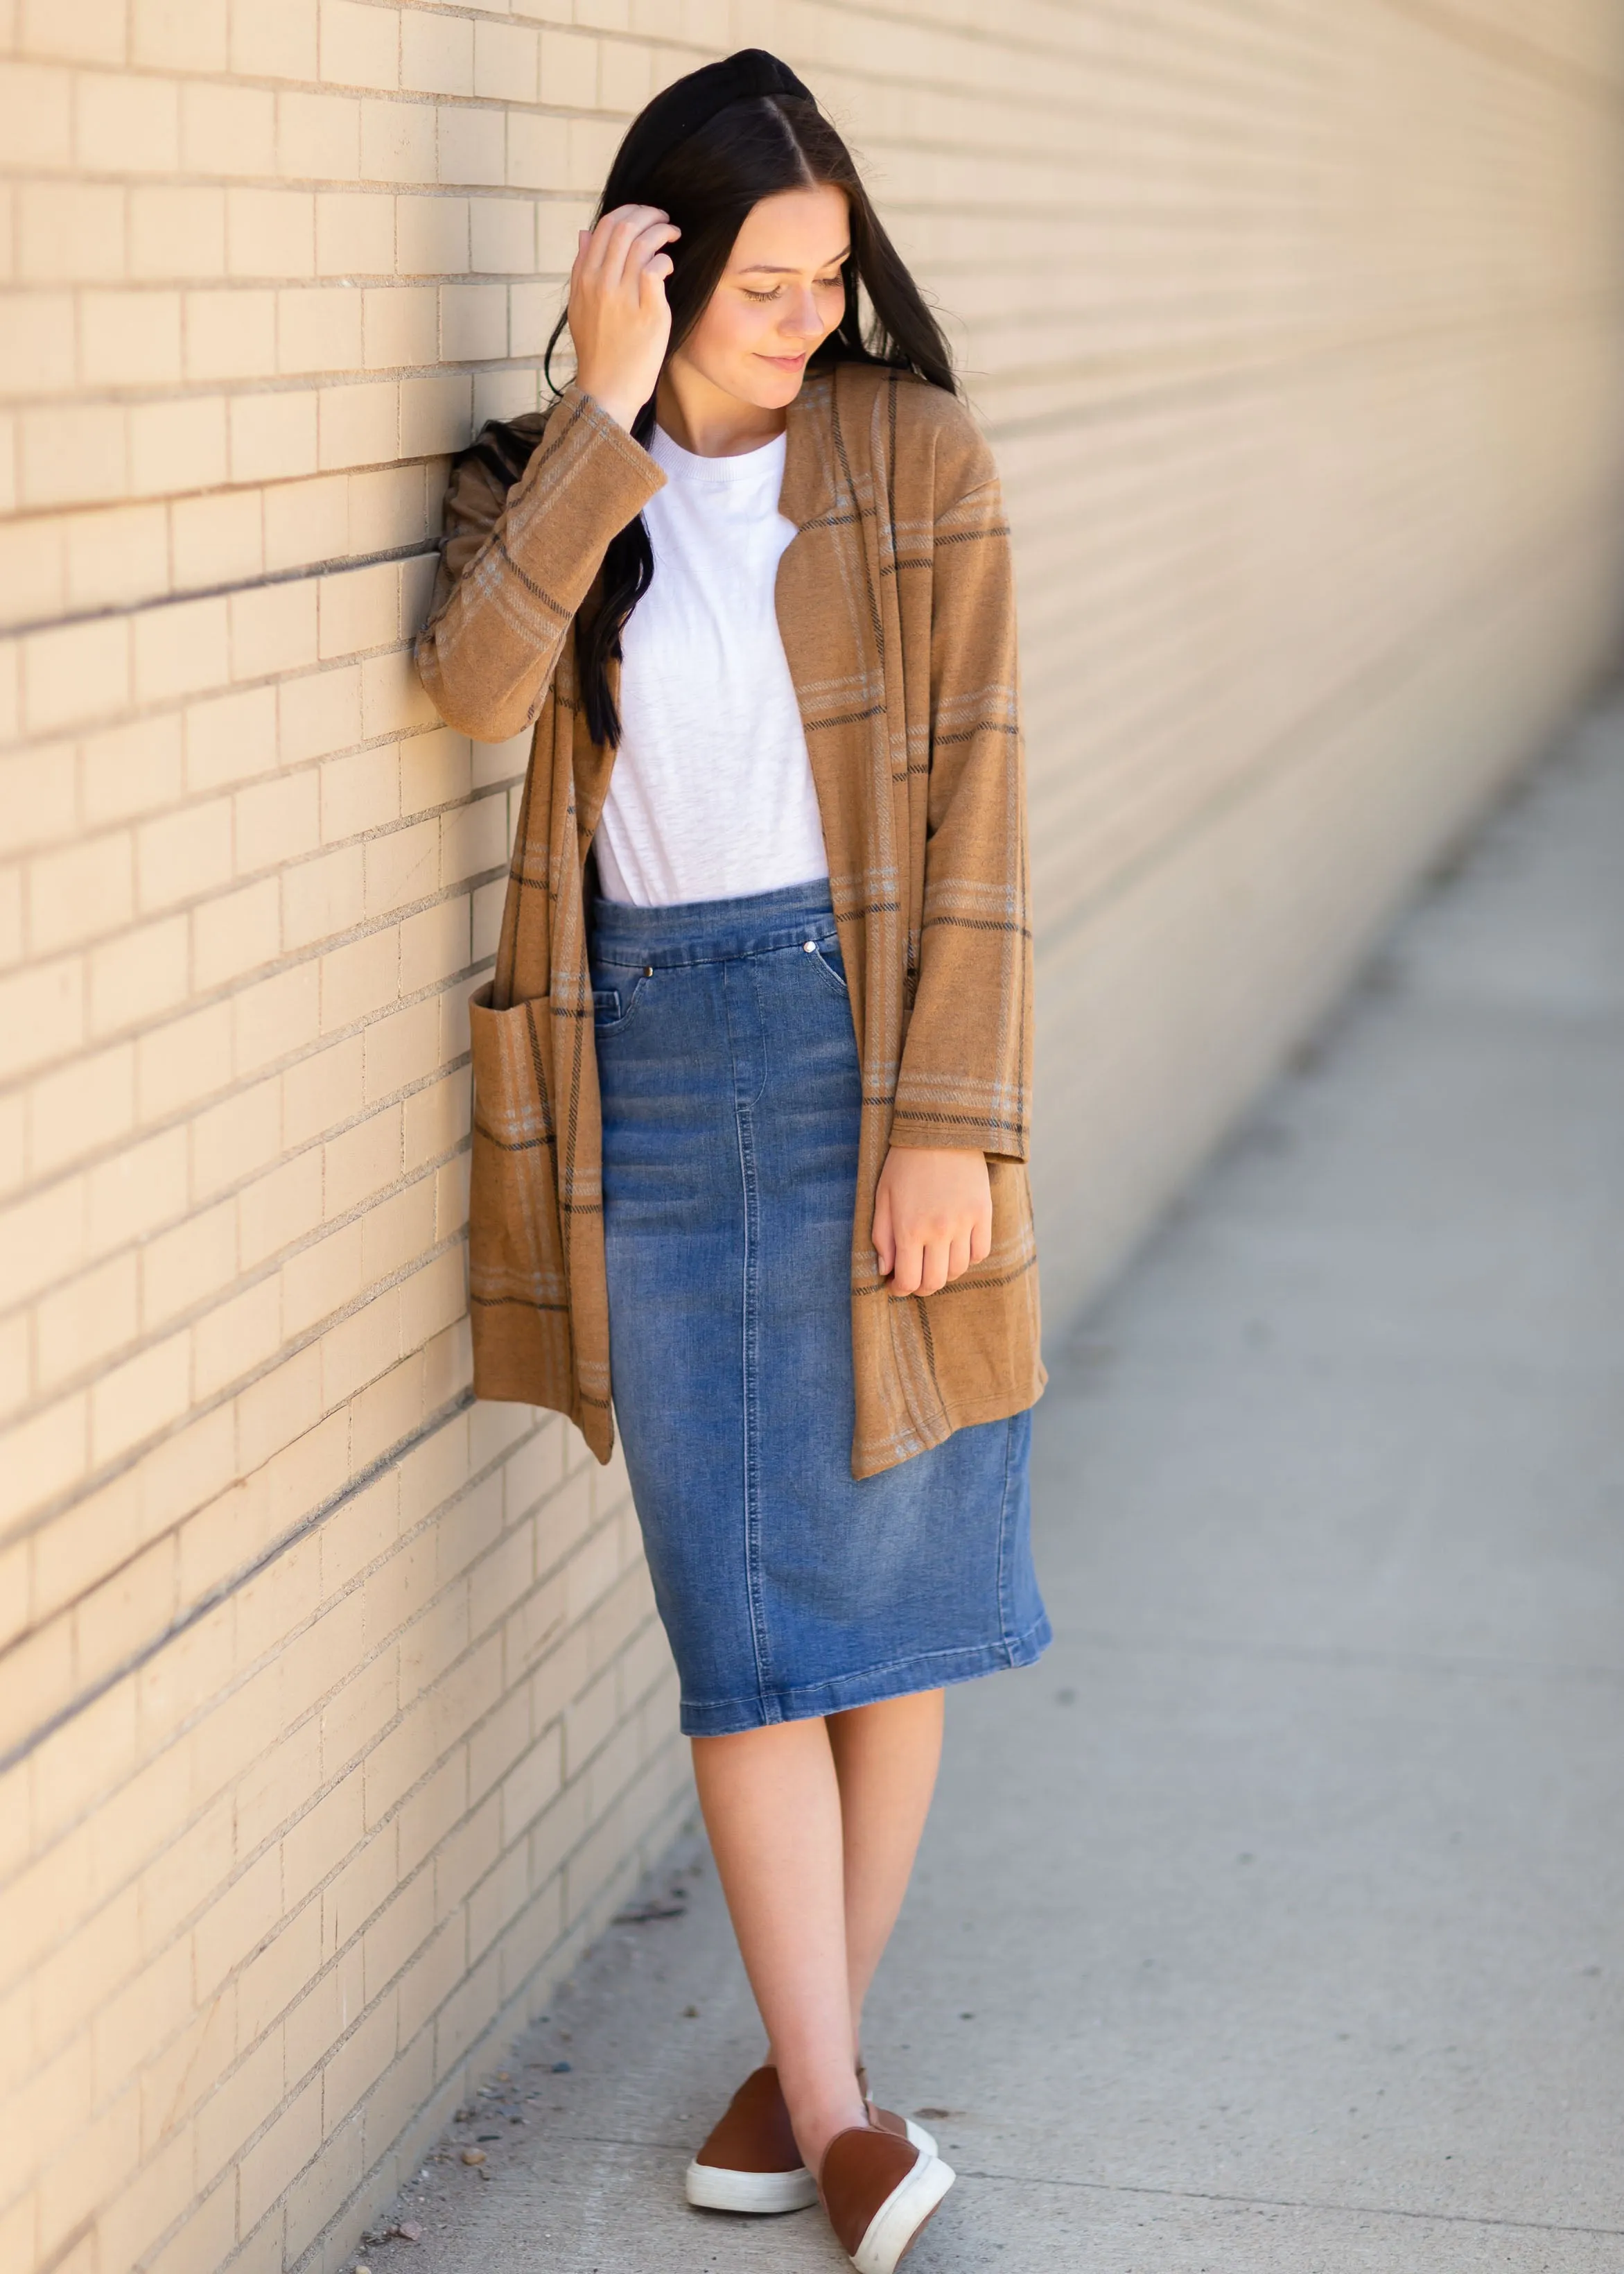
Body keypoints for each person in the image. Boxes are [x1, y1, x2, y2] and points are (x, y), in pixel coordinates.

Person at [414, 49, 1047, 2273]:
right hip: (657, 1086)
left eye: (829, 275)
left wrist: (954, 1122)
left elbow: (976, 806)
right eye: (763, 283)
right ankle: (843, 2106)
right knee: (747, 1620)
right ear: (652, 273)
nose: (808, 316)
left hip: (878, 1055)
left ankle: (811, 2080)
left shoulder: (909, 458)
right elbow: (478, 686)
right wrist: (595, 426)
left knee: (894, 1613)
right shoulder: (553, 487)